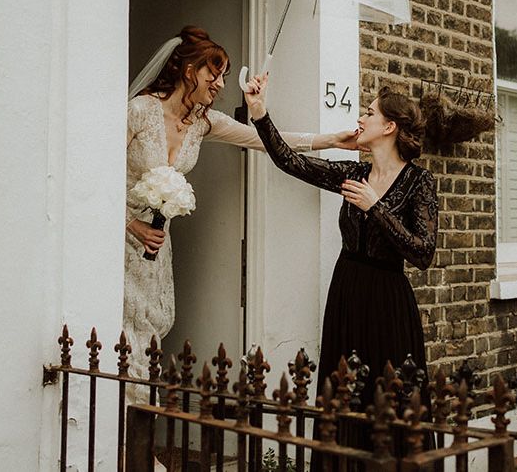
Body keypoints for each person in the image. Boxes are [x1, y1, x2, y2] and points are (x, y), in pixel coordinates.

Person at [124, 26, 358, 398]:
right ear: (189, 71)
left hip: (154, 246)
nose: (219, 84)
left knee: (149, 332)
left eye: (223, 77)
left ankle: (136, 440)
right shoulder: (139, 111)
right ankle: (117, 440)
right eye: (212, 74)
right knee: (120, 338)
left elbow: (263, 141)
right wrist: (129, 223)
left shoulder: (204, 123)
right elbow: (97, 172)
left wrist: (331, 139)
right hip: (119, 237)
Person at [244, 73, 438, 414]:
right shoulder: (354, 174)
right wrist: (260, 112)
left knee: (388, 391)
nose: (361, 118)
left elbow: (423, 253)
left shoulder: (418, 181)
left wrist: (375, 207)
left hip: (387, 300)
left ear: (390, 127)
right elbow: (291, 161)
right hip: (347, 291)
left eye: (369, 113)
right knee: (346, 392)